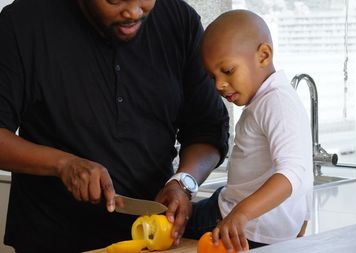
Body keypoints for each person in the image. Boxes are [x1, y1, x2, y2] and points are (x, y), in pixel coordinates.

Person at [0, 0, 229, 252]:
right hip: (52, 239)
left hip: (153, 239)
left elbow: (208, 128)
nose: (133, 12)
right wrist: (63, 164)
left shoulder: (179, 20)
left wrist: (183, 182)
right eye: (114, 0)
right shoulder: (22, 23)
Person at [184, 9, 313, 251]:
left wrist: (241, 213)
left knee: (174, 220)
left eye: (228, 71)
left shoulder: (276, 103)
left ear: (263, 55)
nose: (219, 85)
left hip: (239, 221)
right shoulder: (276, 99)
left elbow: (293, 172)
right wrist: (302, 220)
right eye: (212, 77)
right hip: (257, 225)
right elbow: (303, 169)